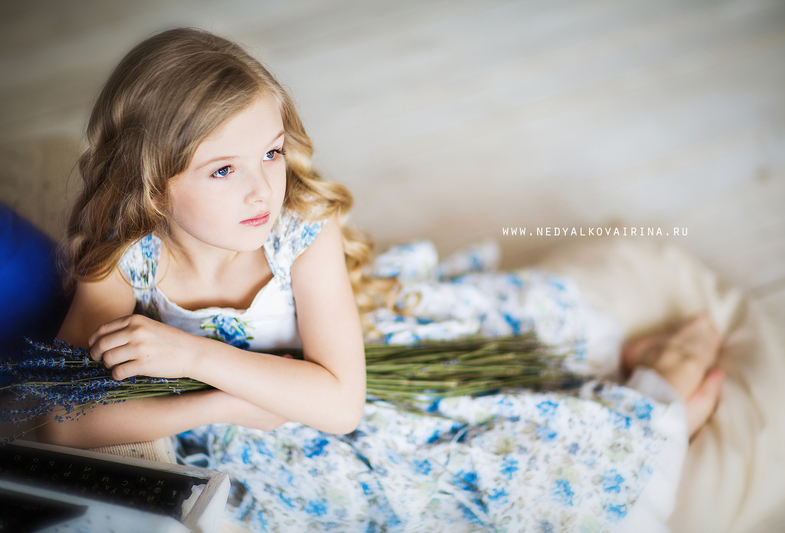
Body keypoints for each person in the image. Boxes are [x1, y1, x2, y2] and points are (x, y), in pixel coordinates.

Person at [39, 27, 724, 532]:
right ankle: (661, 400)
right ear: (151, 184)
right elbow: (63, 424)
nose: (263, 189)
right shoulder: (126, 260)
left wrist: (193, 356)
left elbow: (342, 405)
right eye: (224, 169)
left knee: (520, 429)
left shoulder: (300, 232)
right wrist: (224, 405)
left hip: (345, 389)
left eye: (271, 153)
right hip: (264, 435)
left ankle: (658, 403)